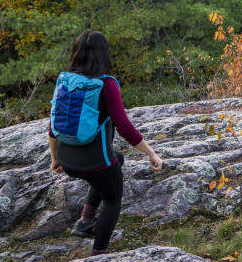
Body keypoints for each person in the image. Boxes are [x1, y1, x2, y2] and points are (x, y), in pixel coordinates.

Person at [48, 30, 163, 256]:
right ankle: (99, 253)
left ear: (77, 53)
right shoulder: (106, 84)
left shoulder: (65, 79)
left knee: (117, 160)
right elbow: (123, 126)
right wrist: (152, 153)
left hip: (66, 159)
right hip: (94, 162)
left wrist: (54, 159)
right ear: (103, 54)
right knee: (112, 200)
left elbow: (53, 124)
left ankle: (85, 222)